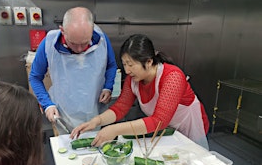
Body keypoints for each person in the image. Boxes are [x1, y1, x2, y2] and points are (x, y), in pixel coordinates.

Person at [70, 34, 210, 149]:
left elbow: (158, 121)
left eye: (131, 64)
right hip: (167, 130)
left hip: (189, 127)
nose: (127, 70)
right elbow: (120, 108)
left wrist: (115, 130)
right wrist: (97, 121)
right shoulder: (133, 79)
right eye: (124, 64)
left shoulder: (172, 76)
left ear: (148, 62)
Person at [29, 6, 117, 130]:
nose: (79, 49)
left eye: (85, 43)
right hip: (64, 116)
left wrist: (108, 86)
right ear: (62, 30)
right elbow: (35, 77)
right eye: (74, 43)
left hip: (96, 112)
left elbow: (111, 65)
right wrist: (47, 104)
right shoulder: (49, 43)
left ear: (92, 30)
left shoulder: (102, 39)